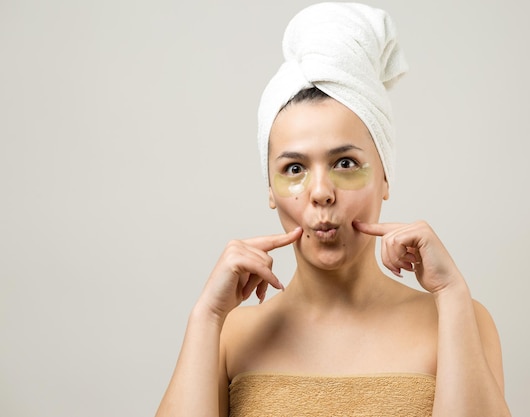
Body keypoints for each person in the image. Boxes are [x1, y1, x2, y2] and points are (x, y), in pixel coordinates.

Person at [156, 3, 511, 417]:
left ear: (385, 176)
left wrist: (451, 295)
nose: (321, 192)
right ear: (269, 187)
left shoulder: (459, 319)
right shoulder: (230, 334)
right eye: (294, 168)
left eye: (345, 163)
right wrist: (205, 316)